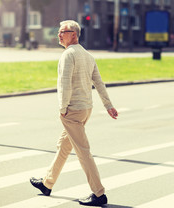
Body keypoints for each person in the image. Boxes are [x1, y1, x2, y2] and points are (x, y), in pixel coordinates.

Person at [30, 20, 118, 206]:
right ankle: (47, 183)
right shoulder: (87, 55)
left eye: (63, 32)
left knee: (83, 152)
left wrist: (62, 109)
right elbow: (99, 83)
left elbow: (65, 85)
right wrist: (108, 105)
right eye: (59, 32)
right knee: (63, 146)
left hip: (73, 110)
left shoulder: (68, 55)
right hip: (86, 109)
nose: (59, 35)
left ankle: (99, 193)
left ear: (74, 35)